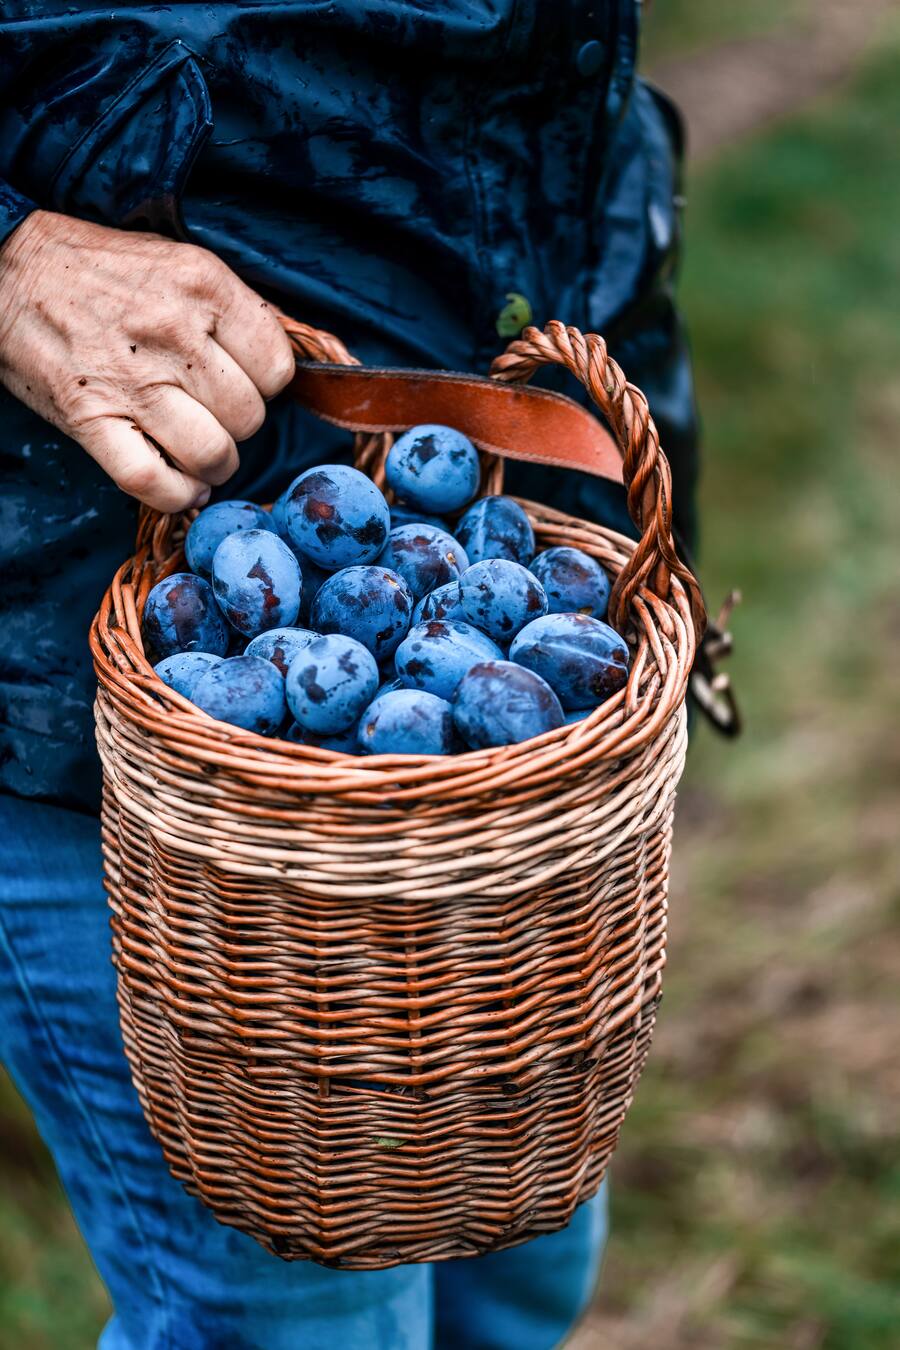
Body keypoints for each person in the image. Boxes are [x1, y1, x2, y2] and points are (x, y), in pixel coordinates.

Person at [0, 3, 698, 1346]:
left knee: (518, 1270)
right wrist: (11, 256)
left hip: (529, 518)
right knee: (291, 1320)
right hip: (100, 639)